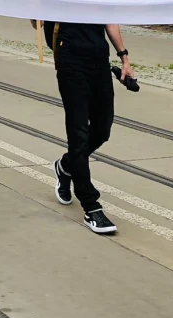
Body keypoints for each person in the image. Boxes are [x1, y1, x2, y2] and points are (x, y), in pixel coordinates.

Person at [36, 20, 132, 236]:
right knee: (78, 134)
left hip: (99, 59)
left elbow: (110, 21)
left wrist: (124, 57)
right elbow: (36, 22)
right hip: (70, 59)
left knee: (102, 129)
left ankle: (65, 166)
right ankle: (91, 207)